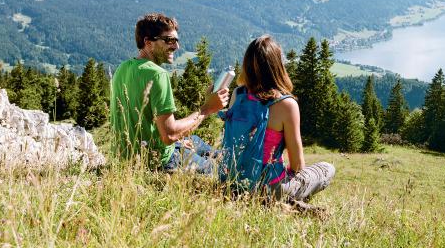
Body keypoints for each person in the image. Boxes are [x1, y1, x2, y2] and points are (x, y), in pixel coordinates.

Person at [109, 13, 228, 172]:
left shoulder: (123, 68)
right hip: (156, 161)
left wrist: (176, 142)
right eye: (169, 40)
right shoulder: (157, 75)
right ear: (148, 42)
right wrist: (208, 108)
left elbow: (146, 124)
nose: (176, 46)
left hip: (125, 157)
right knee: (221, 171)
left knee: (195, 141)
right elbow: (170, 135)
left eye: (176, 40)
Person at [221, 35, 334, 202]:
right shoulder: (286, 105)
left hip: (233, 184)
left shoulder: (238, 95)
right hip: (270, 190)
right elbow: (297, 166)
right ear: (277, 66)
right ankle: (286, 201)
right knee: (327, 168)